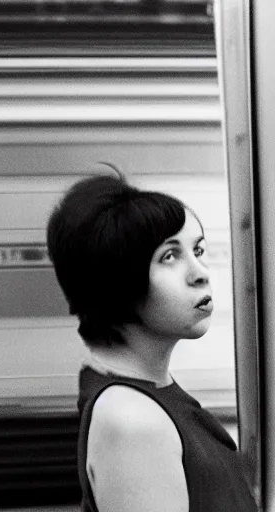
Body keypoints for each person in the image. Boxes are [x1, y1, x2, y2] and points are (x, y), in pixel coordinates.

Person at [46, 174, 258, 512]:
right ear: (116, 280)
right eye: (169, 256)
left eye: (198, 250)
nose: (200, 272)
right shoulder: (133, 420)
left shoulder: (151, 392)